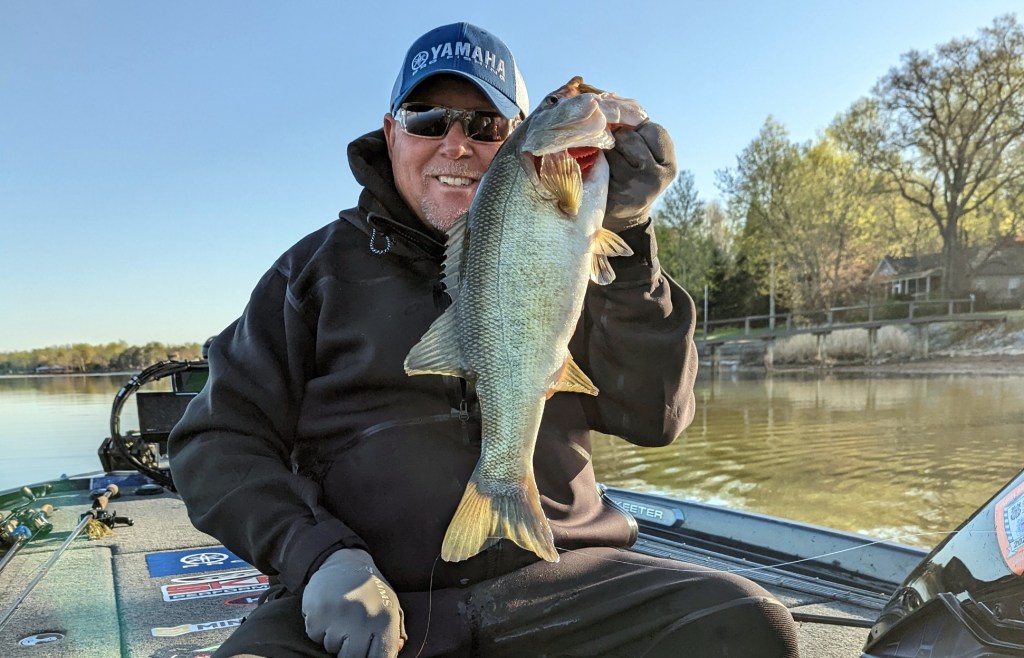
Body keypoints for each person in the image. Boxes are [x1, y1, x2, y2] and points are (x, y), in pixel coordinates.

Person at [168, 22, 800, 658]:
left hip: (560, 576)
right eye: (427, 118)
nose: (456, 144)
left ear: (517, 139)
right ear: (390, 132)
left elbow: (655, 415)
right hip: (369, 596)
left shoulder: (577, 250)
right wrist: (318, 554)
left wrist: (631, 234)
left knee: (745, 624)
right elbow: (214, 440)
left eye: (485, 125)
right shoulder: (310, 275)